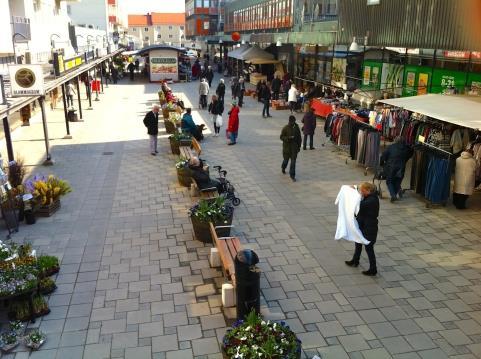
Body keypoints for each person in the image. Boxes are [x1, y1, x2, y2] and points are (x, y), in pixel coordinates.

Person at [345, 182, 379, 276]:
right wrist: (355, 189)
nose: (361, 192)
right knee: (358, 243)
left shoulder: (371, 201)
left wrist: (352, 194)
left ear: (368, 191)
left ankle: (373, 269)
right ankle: (355, 260)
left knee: (369, 248)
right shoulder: (370, 196)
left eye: (362, 190)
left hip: (369, 228)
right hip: (363, 225)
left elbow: (358, 204)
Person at [380, 137, 413, 202]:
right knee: (398, 181)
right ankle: (394, 194)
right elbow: (410, 154)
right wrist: (404, 161)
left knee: (389, 181)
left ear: (395, 141)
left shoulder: (391, 147)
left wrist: (381, 163)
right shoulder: (407, 148)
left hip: (391, 167)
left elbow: (383, 156)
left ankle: (393, 195)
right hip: (401, 167)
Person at [280, 115, 302, 182]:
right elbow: (281, 137)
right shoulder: (285, 128)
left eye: (293, 122)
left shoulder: (297, 128)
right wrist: (288, 138)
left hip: (294, 148)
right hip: (286, 148)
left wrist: (299, 147)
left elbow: (299, 138)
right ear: (289, 121)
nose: (292, 123)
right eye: (291, 122)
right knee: (285, 161)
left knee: (293, 162)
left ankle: (292, 176)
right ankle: (283, 167)